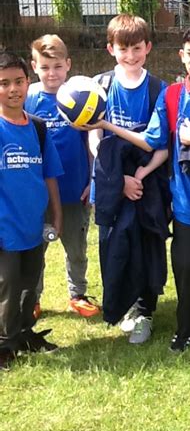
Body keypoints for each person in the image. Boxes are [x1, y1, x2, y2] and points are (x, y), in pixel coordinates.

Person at [90, 26, 190, 351]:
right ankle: (185, 328)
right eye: (189, 53)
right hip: (185, 203)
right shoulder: (172, 96)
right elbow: (150, 141)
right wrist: (104, 125)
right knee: (185, 268)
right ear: (181, 56)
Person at [89, 14, 167, 345]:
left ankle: (144, 312)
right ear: (111, 49)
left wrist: (140, 175)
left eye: (137, 48)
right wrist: (117, 179)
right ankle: (123, 305)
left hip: (146, 183)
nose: (131, 56)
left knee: (147, 247)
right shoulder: (98, 87)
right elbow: (94, 139)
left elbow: (161, 146)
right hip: (111, 184)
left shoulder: (158, 89)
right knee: (113, 246)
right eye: (123, 49)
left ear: (148, 47)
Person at [25, 34, 99, 319]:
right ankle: (32, 299)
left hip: (74, 189)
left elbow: (90, 141)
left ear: (68, 64)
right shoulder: (28, 99)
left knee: (77, 248)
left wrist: (91, 180)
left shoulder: (80, 97)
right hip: (38, 193)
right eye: (45, 67)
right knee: (35, 248)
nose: (51, 73)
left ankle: (77, 294)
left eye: (57, 66)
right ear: (34, 67)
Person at [0, 51, 63, 371]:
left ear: (28, 82)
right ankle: (4, 344)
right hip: (5, 227)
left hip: (33, 225)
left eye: (19, 81)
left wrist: (57, 215)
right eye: (4, 83)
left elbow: (49, 174)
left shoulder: (37, 127)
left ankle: (24, 333)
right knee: (7, 286)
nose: (13, 89)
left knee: (29, 284)